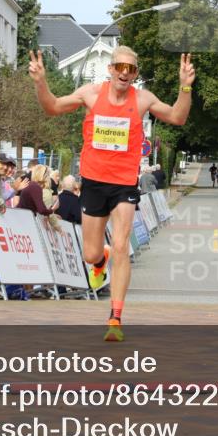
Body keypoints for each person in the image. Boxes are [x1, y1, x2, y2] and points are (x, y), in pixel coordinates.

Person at [30, 45, 195, 341]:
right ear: (110, 68)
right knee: (91, 252)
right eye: (120, 66)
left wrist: (185, 86)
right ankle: (98, 261)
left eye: (131, 69)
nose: (124, 73)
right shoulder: (90, 94)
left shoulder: (143, 99)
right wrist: (41, 82)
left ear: (135, 74)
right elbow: (52, 107)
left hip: (124, 184)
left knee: (121, 245)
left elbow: (177, 117)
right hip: (93, 182)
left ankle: (115, 319)